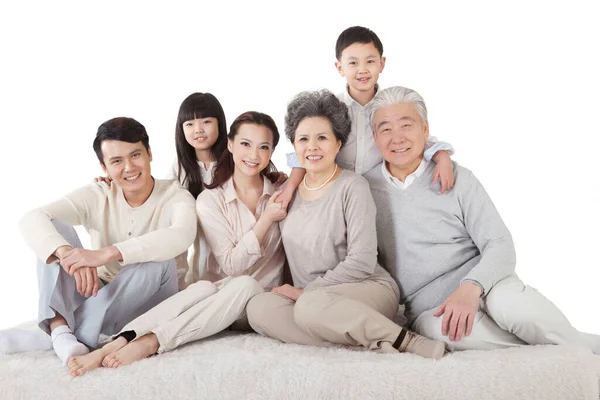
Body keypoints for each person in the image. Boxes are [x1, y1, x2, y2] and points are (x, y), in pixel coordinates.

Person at [364, 86, 600, 353]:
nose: (397, 138)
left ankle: (580, 348)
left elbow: (499, 242)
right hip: (432, 305)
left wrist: (471, 286)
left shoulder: (457, 177)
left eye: (406, 125)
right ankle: (565, 347)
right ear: (374, 137)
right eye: (386, 129)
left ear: (425, 130)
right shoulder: (364, 190)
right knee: (447, 332)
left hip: (487, 282)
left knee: (513, 308)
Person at [66, 111, 287, 376]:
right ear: (229, 145)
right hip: (219, 298)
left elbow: (306, 168)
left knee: (247, 284)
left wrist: (275, 206)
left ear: (273, 150)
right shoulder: (210, 200)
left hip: (261, 301)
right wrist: (268, 219)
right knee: (203, 285)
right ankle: (118, 341)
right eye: (245, 144)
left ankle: (152, 341)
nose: (253, 155)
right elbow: (231, 265)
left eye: (264, 147)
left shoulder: (281, 195)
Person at [246, 90, 446, 360]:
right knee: (258, 308)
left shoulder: (353, 186)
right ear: (294, 145)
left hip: (366, 287)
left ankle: (404, 339)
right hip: (315, 304)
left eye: (322, 138)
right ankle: (352, 340)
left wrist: (307, 292)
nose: (312, 147)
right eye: (303, 139)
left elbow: (362, 261)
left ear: (338, 144)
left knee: (309, 308)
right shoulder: (286, 194)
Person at [11, 117, 197, 368]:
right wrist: (67, 253)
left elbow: (181, 235)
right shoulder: (99, 193)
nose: (129, 167)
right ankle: (61, 332)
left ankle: (61, 330)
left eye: (135, 155)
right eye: (117, 161)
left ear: (150, 154)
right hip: (98, 293)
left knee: (159, 262)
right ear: (104, 167)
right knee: (56, 228)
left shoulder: (176, 195)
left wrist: (105, 254)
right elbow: (31, 218)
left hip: (151, 302)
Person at [276, 26, 456, 208]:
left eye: (370, 61)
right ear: (340, 67)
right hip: (334, 193)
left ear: (382, 64)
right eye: (353, 63)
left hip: (380, 194)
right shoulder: (328, 108)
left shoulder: (390, 107)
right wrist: (290, 188)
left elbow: (416, 139)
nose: (362, 70)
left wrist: (443, 159)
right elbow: (306, 150)